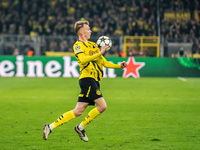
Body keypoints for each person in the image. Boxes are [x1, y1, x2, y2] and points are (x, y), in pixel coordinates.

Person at [43, 20, 127, 142]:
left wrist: (119, 66)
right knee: (102, 106)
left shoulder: (93, 45)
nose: (90, 31)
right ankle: (80, 127)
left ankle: (50, 127)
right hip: (87, 79)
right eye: (88, 29)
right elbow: (82, 60)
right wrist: (100, 52)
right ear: (81, 32)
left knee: (78, 111)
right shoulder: (78, 46)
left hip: (94, 81)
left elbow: (103, 62)